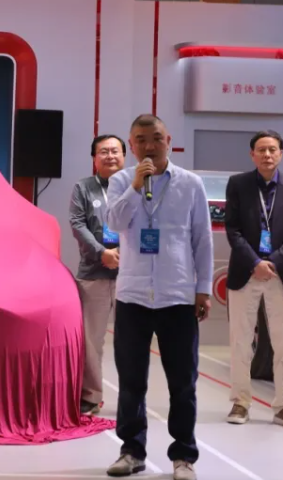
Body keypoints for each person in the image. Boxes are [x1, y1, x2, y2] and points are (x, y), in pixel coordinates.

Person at [104, 114, 212, 480]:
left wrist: (203, 288)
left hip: (177, 295)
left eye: (155, 138)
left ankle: (184, 456)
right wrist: (135, 187)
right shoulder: (121, 181)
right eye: (140, 139)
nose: (149, 146)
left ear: (168, 140)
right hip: (133, 295)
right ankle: (131, 451)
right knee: (131, 380)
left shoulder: (191, 184)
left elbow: (202, 239)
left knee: (183, 383)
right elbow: (114, 223)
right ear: (131, 145)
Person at [224, 130, 283, 430]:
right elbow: (232, 229)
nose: (267, 155)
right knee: (240, 341)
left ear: (281, 154)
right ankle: (240, 402)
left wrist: (273, 262)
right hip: (246, 271)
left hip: (281, 273)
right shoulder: (238, 184)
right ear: (252, 155)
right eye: (261, 150)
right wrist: (255, 262)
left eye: (272, 149)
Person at [69, 134, 126, 416]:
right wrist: (102, 252)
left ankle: (131, 397)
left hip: (131, 275)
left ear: (124, 156)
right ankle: (91, 396)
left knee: (132, 339)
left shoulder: (137, 186)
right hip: (94, 273)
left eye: (115, 151)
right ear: (94, 158)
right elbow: (77, 224)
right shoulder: (84, 187)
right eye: (103, 151)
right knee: (91, 340)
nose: (110, 156)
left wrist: (126, 254)